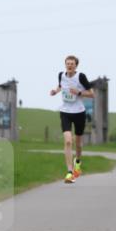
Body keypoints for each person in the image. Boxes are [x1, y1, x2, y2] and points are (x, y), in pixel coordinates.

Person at [48, 55, 96, 183]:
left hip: (79, 112)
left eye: (72, 64)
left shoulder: (81, 77)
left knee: (78, 143)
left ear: (76, 65)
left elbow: (92, 94)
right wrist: (55, 91)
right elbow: (60, 86)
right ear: (65, 64)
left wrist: (79, 93)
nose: (69, 66)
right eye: (67, 63)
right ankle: (69, 172)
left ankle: (78, 163)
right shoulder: (61, 75)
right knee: (68, 141)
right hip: (65, 112)